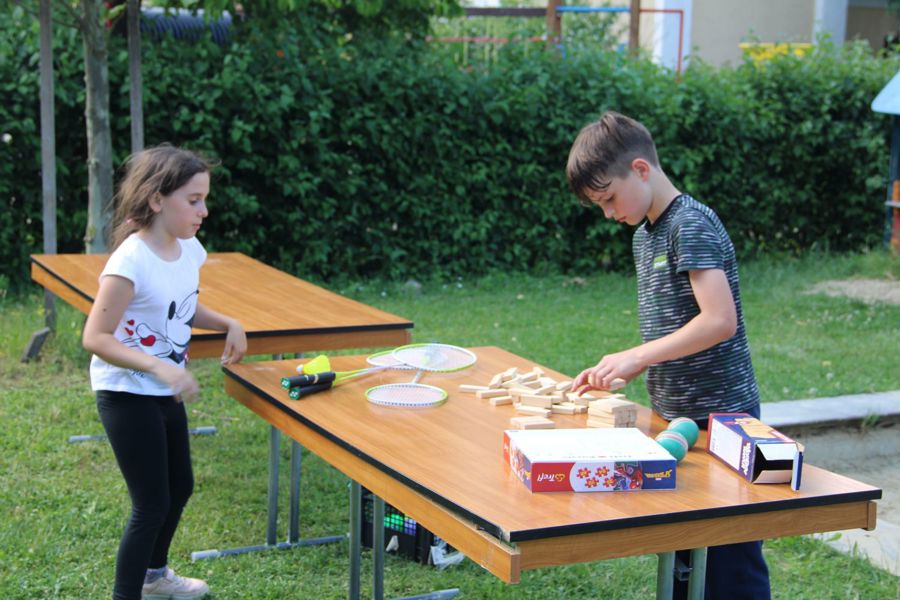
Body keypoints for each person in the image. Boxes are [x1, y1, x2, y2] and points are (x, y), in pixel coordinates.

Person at [566, 111, 770, 600]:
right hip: (675, 418)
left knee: (730, 562)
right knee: (684, 557)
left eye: (609, 198)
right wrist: (626, 368)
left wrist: (638, 355)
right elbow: (675, 330)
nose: (608, 214)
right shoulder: (645, 235)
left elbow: (719, 321)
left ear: (640, 169)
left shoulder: (689, 224)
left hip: (723, 420)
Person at [82, 144, 247, 600]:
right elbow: (96, 337)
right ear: (156, 199)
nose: (204, 211)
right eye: (193, 200)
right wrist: (159, 366)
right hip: (125, 392)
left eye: (204, 199)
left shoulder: (190, 250)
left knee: (180, 487)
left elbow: (181, 306)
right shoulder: (129, 261)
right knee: (151, 503)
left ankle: (154, 577)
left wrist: (228, 323)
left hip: (164, 388)